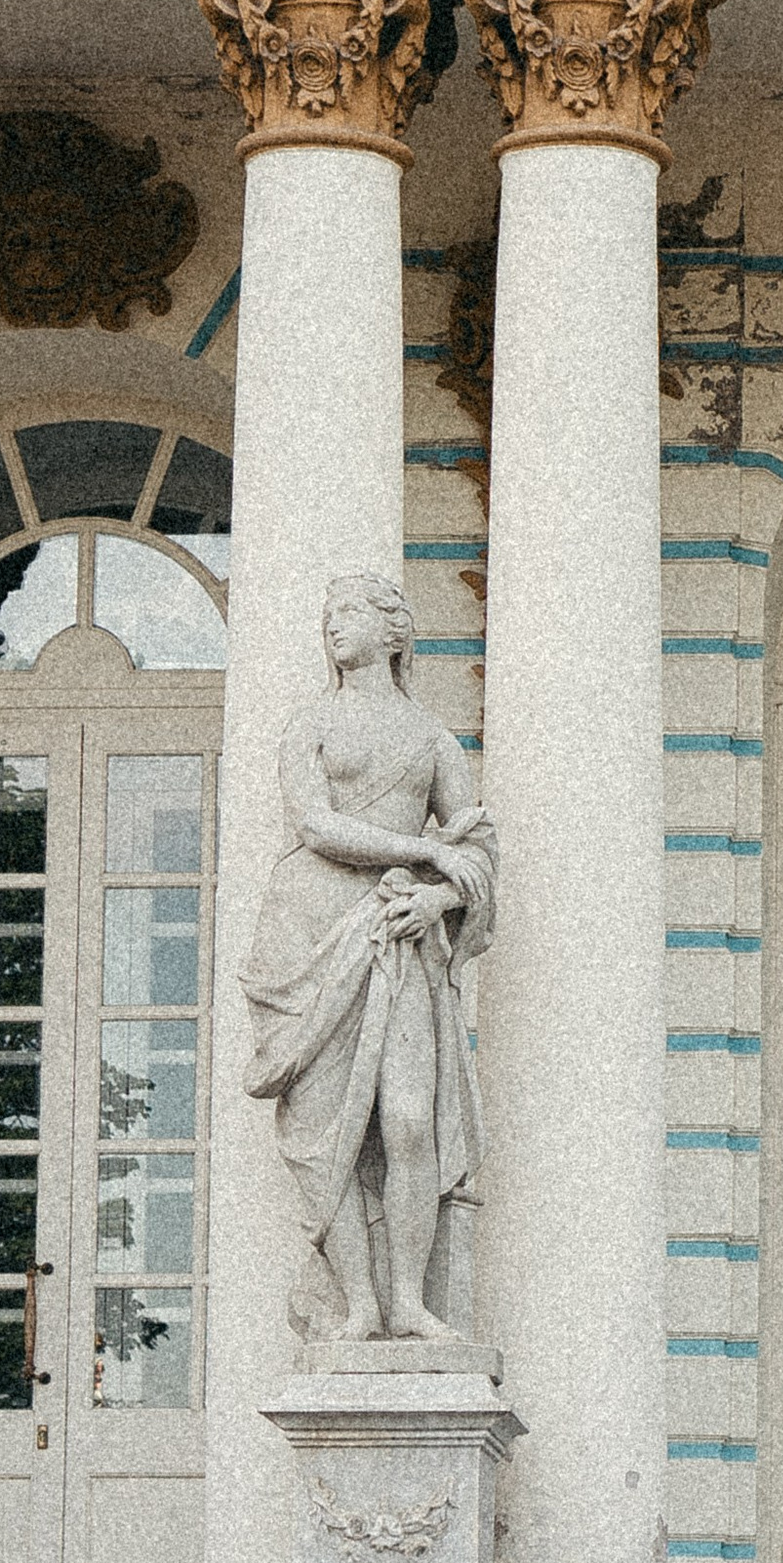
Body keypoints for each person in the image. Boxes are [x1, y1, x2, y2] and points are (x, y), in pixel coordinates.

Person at [240, 571, 498, 1345]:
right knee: (332, 1133)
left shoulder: (431, 737)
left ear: (395, 633)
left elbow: (479, 848)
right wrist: (425, 852)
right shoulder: (308, 724)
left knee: (410, 1123)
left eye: (349, 612)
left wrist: (438, 900)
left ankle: (410, 1302)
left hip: (399, 933)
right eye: (328, 613)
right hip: (309, 930)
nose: (333, 626)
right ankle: (360, 1304)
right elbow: (316, 825)